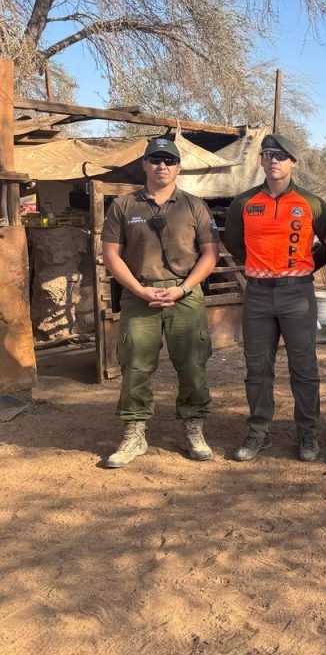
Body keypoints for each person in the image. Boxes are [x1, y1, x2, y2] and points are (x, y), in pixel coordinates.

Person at [101, 136, 219, 468]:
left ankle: (194, 427)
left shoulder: (195, 205)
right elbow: (111, 255)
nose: (162, 166)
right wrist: (139, 289)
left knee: (193, 364)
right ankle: (134, 432)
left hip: (185, 295)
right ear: (145, 165)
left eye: (169, 160)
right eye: (155, 160)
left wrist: (184, 289)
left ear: (179, 167)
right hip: (141, 296)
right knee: (135, 365)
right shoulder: (124, 206)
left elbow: (210, 255)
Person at [223, 134, 326, 462]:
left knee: (304, 368)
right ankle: (259, 432)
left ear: (294, 162)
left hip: (297, 294)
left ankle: (308, 434)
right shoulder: (243, 202)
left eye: (282, 155)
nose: (274, 160)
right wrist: (256, 268)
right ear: (261, 160)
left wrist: (306, 266)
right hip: (257, 295)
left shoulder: (311, 202)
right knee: (257, 368)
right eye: (268, 154)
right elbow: (233, 242)